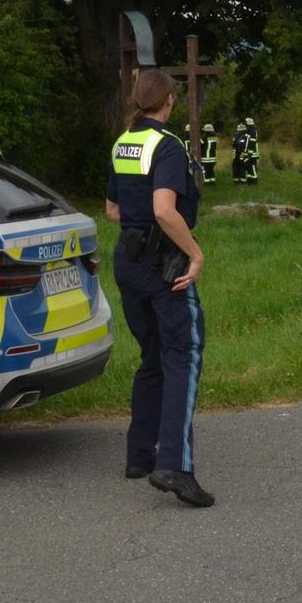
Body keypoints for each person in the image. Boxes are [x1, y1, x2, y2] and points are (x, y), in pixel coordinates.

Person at [106, 69, 213, 507]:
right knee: (182, 359)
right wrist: (194, 253)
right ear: (168, 100)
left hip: (128, 264)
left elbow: (112, 210)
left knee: (152, 357)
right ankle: (175, 466)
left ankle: (139, 456)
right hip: (164, 268)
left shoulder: (123, 143)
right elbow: (164, 209)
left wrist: (141, 226)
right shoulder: (167, 146)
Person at [234, 117, 261, 184]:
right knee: (248, 167)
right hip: (248, 152)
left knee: (252, 167)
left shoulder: (252, 132)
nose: (244, 125)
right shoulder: (249, 131)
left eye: (245, 124)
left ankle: (254, 182)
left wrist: (249, 153)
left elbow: (251, 143)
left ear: (248, 124)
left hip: (252, 153)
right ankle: (250, 181)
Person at [199, 121, 218, 186]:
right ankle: (212, 182)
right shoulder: (215, 137)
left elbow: (200, 144)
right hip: (213, 158)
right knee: (211, 171)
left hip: (206, 158)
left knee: (205, 171)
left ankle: (207, 183)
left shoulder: (204, 137)